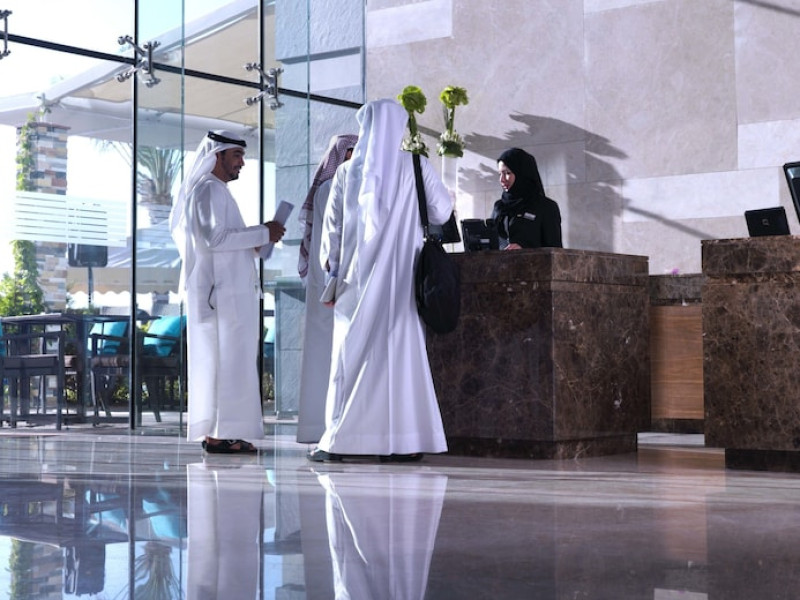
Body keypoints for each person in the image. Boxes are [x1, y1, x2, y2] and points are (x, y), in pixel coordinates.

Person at [307, 98, 452, 462]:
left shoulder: (346, 173)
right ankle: (403, 442)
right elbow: (441, 211)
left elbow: (331, 236)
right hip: (403, 282)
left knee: (351, 359)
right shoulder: (416, 165)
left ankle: (342, 441)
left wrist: (331, 276)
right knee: (401, 358)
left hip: (354, 286)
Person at [170, 130, 285, 454]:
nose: (242, 163)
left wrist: (259, 241)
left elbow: (225, 241)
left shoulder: (215, 190)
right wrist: (262, 232)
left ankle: (223, 433)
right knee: (226, 365)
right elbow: (216, 240)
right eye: (236, 155)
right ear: (217, 155)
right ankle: (220, 436)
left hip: (226, 295)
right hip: (220, 297)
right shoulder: (209, 189)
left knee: (229, 365)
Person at [296, 134, 358, 444]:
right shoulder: (338, 185)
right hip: (335, 281)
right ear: (343, 154)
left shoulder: (326, 188)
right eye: (353, 151)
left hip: (324, 281)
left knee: (321, 355)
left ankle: (314, 425)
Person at [491, 147, 563, 249]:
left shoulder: (546, 207)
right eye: (500, 174)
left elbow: (555, 251)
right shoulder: (499, 206)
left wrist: (525, 250)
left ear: (522, 173)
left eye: (507, 173)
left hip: (533, 260)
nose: (501, 179)